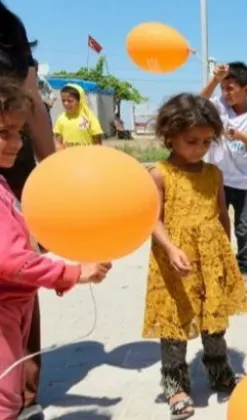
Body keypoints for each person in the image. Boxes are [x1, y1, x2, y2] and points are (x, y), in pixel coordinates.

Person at [0, 81, 111, 420]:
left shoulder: (3, 183)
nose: (17, 142)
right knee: (3, 398)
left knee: (12, 387)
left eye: (19, 132)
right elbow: (10, 261)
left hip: (17, 303)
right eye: (5, 131)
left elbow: (19, 236)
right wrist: (73, 273)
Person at [143, 93, 247, 419]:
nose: (199, 148)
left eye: (206, 142)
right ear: (169, 135)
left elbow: (222, 215)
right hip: (174, 261)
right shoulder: (159, 174)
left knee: (213, 320)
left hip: (211, 257)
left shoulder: (213, 174)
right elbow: (152, 218)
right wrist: (171, 248)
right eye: (191, 141)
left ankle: (219, 372)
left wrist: (226, 253)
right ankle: (175, 384)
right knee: (176, 321)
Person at [0, 5, 59, 420]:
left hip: (11, 165)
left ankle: (20, 394)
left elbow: (31, 100)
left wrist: (53, 177)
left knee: (17, 270)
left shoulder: (7, 27)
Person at [201, 62, 247, 294]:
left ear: (246, 89)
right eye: (223, 88)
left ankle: (242, 270)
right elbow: (199, 103)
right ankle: (217, 268)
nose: (225, 94)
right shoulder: (219, 106)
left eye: (230, 88)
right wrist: (214, 79)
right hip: (218, 181)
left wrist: (240, 136)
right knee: (216, 226)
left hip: (245, 183)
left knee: (243, 228)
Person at [53, 84, 103, 148]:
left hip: (87, 156)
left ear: (80, 101)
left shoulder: (89, 118)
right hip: (68, 156)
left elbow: (98, 143)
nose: (66, 103)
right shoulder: (61, 119)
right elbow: (58, 143)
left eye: (70, 101)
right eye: (63, 100)